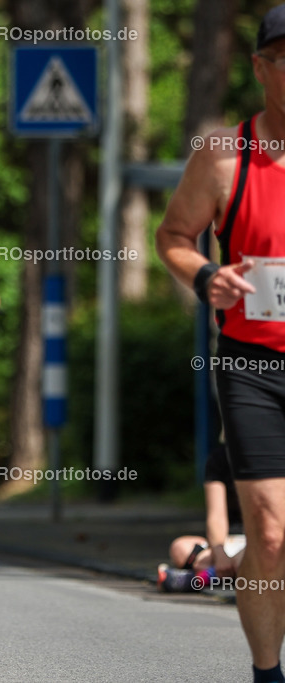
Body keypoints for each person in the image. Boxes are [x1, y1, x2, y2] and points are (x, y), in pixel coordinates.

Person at [155, 6, 285, 680]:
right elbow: (172, 236)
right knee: (265, 532)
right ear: (262, 68)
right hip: (251, 363)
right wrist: (206, 273)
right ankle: (269, 673)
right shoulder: (224, 156)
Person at [158, 445, 246, 591]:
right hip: (229, 541)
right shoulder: (221, 457)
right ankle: (230, 574)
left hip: (259, 542)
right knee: (180, 548)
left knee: (253, 555)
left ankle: (199, 579)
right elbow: (216, 516)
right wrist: (220, 553)